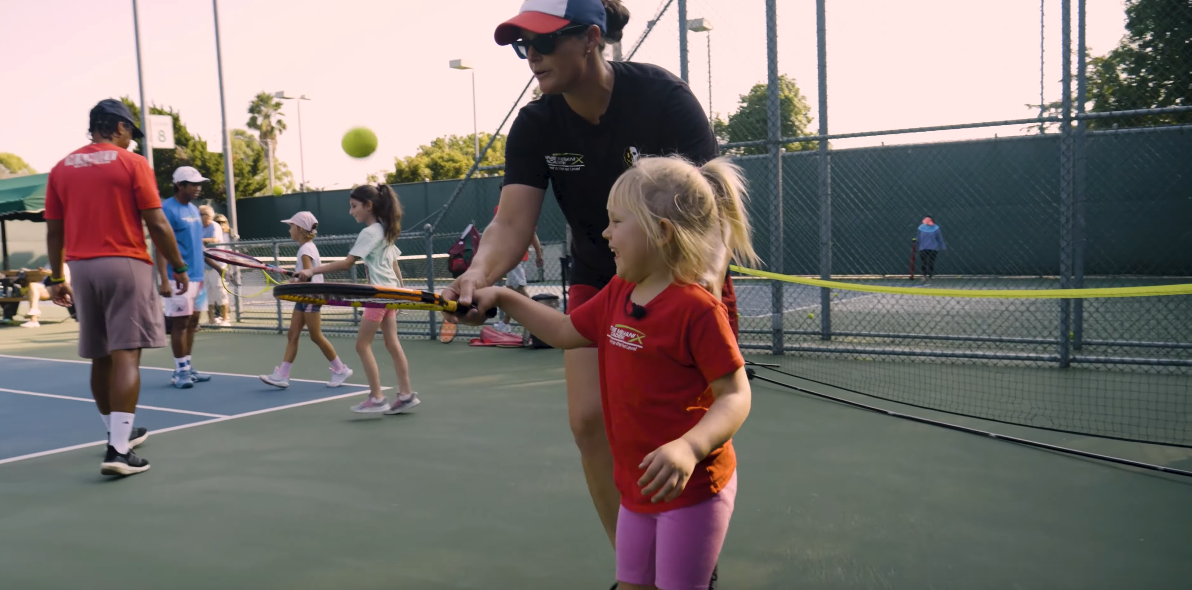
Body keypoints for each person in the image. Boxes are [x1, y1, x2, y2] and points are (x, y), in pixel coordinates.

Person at [444, 2, 741, 583]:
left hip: (687, 274)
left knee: (687, 420)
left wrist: (691, 292)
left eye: (544, 43)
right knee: (588, 422)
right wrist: (481, 277)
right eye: (521, 45)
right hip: (599, 277)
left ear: (590, 40)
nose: (531, 56)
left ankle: (692, 559)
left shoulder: (663, 98)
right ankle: (636, 566)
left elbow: (715, 212)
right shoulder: (536, 125)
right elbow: (510, 224)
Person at [470, 155, 756, 590]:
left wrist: (688, 448)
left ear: (660, 232)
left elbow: (735, 396)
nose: (605, 233)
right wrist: (504, 297)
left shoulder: (697, 310)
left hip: (692, 492)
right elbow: (566, 330)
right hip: (635, 489)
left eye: (616, 221)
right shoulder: (619, 292)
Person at [44, 98, 189, 476]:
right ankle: (119, 451)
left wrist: (58, 277)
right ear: (120, 127)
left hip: (81, 269)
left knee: (101, 356)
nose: (132, 141)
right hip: (125, 264)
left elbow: (54, 229)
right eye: (131, 133)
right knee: (127, 355)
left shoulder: (60, 168)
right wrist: (178, 265)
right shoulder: (132, 163)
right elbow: (157, 224)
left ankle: (116, 433)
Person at [297, 184, 417, 415]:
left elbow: (347, 263)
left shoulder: (370, 232)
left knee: (362, 345)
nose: (351, 212)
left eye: (354, 206)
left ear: (368, 206)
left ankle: (377, 397)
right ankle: (405, 394)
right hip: (389, 295)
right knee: (393, 344)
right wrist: (400, 293)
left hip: (379, 296)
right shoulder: (385, 230)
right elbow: (394, 265)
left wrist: (311, 271)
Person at [260, 211, 354, 388]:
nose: (289, 230)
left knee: (315, 336)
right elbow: (305, 274)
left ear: (300, 229)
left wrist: (296, 281)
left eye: (291, 226)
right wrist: (295, 280)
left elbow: (308, 275)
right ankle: (283, 375)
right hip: (304, 296)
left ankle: (341, 370)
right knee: (292, 335)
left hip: (311, 296)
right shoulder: (307, 247)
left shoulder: (305, 250)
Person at [157, 166, 214, 389]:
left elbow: (197, 245)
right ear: (180, 185)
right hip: (177, 278)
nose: (198, 188)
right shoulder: (166, 209)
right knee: (180, 324)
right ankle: (180, 372)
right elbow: (161, 247)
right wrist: (163, 278)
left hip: (198, 277)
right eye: (193, 184)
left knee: (192, 323)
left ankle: (187, 367)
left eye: (200, 184)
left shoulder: (193, 209)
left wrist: (217, 267)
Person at [491, 203, 545, 332]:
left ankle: (541, 318)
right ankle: (505, 324)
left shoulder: (507, 208)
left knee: (520, 289)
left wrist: (539, 254)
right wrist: (538, 254)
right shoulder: (523, 208)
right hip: (515, 256)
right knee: (510, 292)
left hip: (513, 257)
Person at [199, 205, 231, 326]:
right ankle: (211, 320)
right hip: (204, 266)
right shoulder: (198, 227)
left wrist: (199, 239)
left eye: (201, 214)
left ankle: (225, 319)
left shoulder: (214, 226)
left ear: (208, 216)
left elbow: (215, 240)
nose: (198, 217)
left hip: (218, 265)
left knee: (220, 292)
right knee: (208, 294)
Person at [917, 215, 947, 282]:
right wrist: (916, 244)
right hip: (923, 248)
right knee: (924, 262)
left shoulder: (936, 228)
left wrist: (943, 247)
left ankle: (930, 275)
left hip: (933, 248)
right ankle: (924, 275)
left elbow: (939, 238)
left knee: (931, 262)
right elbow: (918, 237)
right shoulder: (921, 228)